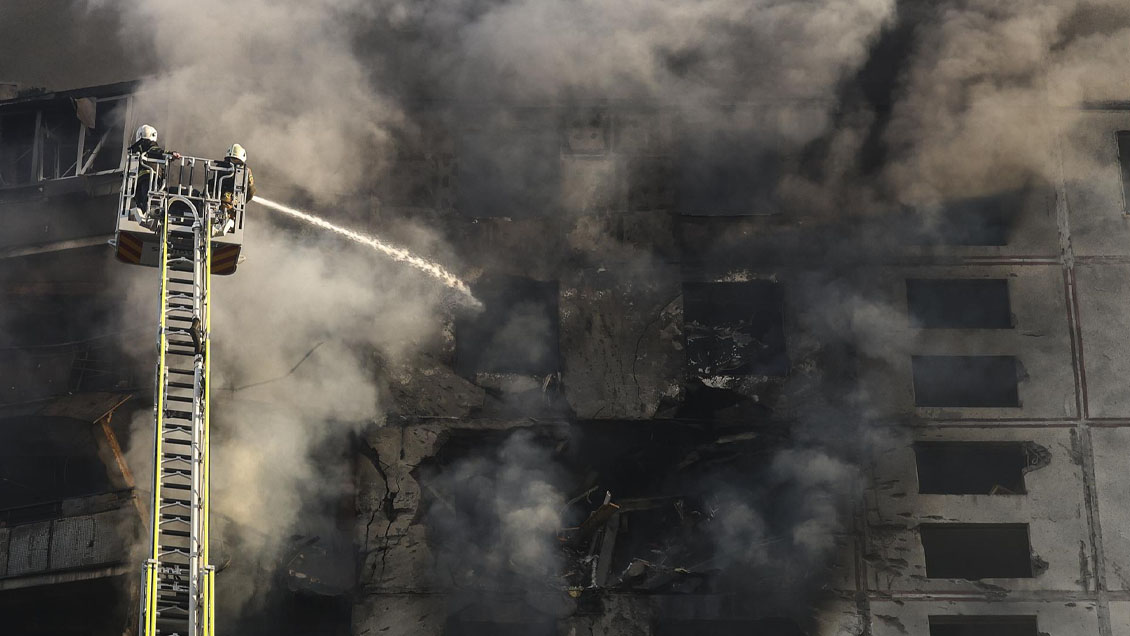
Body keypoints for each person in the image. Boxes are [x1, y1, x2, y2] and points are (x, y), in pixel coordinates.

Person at [128, 124, 180, 227]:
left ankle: (145, 213)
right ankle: (152, 215)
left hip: (138, 181)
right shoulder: (149, 144)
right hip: (150, 178)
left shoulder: (135, 148)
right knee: (152, 199)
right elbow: (155, 151)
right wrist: (170, 154)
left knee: (143, 199)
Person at [210, 143, 255, 234]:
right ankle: (220, 223)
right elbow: (251, 191)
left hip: (231, 202)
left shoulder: (245, 172)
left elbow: (250, 191)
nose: (234, 163)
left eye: (236, 161)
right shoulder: (221, 168)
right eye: (233, 160)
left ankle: (224, 223)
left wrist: (240, 201)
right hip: (219, 201)